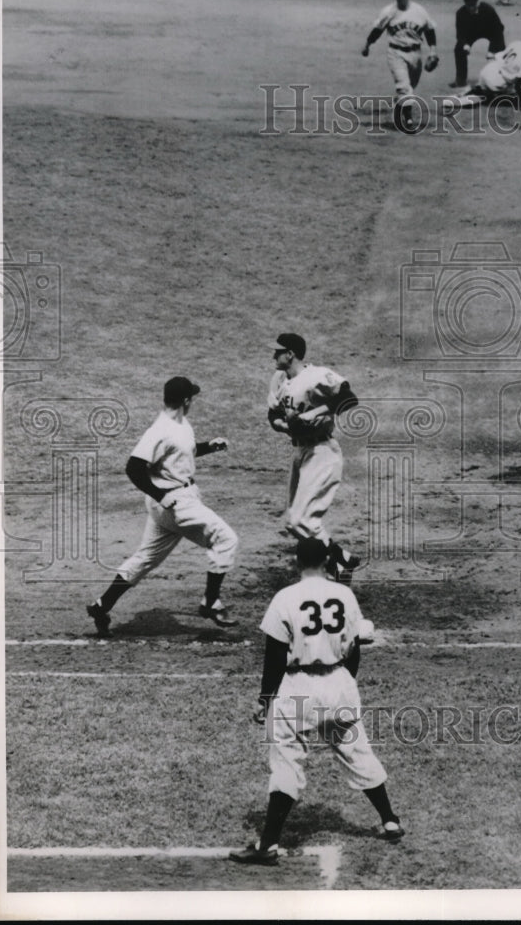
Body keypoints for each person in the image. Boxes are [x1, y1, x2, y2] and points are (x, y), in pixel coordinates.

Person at [229, 537, 404, 866]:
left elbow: (274, 656)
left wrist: (265, 699)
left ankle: (267, 845)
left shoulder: (285, 598)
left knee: (286, 760)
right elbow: (353, 647)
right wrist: (345, 681)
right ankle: (390, 819)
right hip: (338, 682)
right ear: (326, 561)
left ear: (296, 561)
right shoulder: (344, 594)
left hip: (298, 687)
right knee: (358, 750)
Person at [86, 376, 239, 637]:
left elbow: (179, 454)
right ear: (186, 401)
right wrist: (160, 495)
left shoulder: (180, 423)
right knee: (226, 540)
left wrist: (208, 447)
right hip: (175, 503)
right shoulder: (160, 430)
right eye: (193, 398)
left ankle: (102, 606)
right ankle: (211, 601)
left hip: (175, 500)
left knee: (146, 558)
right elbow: (133, 467)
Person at [267, 332, 360, 582]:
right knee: (294, 521)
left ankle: (335, 563)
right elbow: (272, 414)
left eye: (278, 351)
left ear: (291, 354)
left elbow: (349, 398)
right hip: (299, 452)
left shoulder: (317, 376)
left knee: (300, 520)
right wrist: (284, 426)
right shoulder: (279, 379)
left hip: (322, 452)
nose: (274, 355)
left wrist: (315, 413)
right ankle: (342, 559)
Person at [361, 0, 438, 128]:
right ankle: (407, 118)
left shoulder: (419, 11)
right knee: (403, 86)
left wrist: (433, 51)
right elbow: (378, 30)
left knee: (411, 86)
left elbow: (429, 30)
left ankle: (400, 106)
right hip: (395, 52)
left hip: (415, 53)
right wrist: (367, 44)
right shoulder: (389, 11)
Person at [453, 31, 521, 109]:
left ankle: (475, 89)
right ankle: (474, 98)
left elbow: (498, 57)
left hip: (488, 70)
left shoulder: (518, 44)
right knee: (518, 98)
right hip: (495, 82)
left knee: (506, 87)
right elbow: (520, 86)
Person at [449, 0, 506, 89]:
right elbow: (460, 34)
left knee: (500, 51)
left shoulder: (488, 10)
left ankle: (502, 79)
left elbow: (499, 28)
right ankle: (460, 79)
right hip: (471, 34)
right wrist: (465, 44)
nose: (471, 8)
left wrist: (492, 49)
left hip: (490, 32)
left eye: (473, 5)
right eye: (468, 6)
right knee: (459, 49)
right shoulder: (460, 13)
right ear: (465, 4)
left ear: (477, 3)